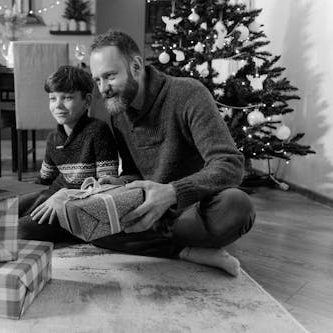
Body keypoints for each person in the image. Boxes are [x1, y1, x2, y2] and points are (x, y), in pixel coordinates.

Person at [86, 30, 256, 276]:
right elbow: (135, 172)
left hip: (192, 211)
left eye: (110, 76)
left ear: (135, 66)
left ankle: (161, 243)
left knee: (237, 206)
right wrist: (120, 183)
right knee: (91, 223)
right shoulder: (119, 114)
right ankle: (187, 251)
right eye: (97, 80)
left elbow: (229, 163)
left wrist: (173, 192)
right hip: (151, 214)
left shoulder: (188, 94)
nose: (104, 89)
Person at [18, 65, 119, 236]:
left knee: (21, 229)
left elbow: (105, 186)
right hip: (54, 196)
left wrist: (65, 195)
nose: (58, 105)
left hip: (79, 206)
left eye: (67, 98)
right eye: (52, 98)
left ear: (86, 101)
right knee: (9, 209)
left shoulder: (98, 131)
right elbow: (44, 180)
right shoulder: (53, 138)